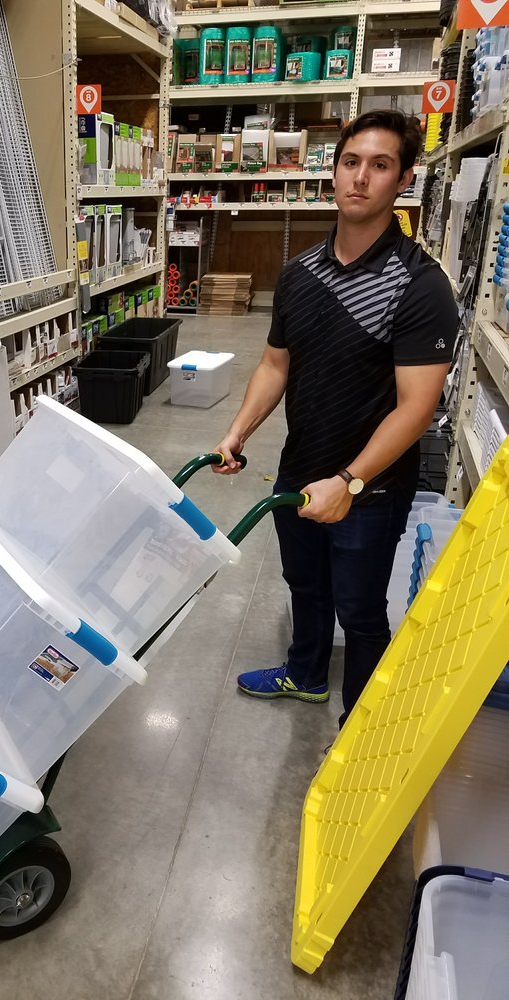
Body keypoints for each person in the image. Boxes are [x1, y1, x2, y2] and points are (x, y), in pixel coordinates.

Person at [214, 109, 458, 728]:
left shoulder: (419, 285)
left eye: (379, 165)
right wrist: (238, 431)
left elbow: (417, 408)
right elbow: (274, 366)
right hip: (298, 474)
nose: (360, 177)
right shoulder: (300, 273)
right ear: (334, 171)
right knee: (305, 587)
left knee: (361, 611)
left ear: (402, 179)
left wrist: (349, 483)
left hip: (369, 490)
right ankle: (306, 675)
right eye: (351, 162)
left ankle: (360, 735)